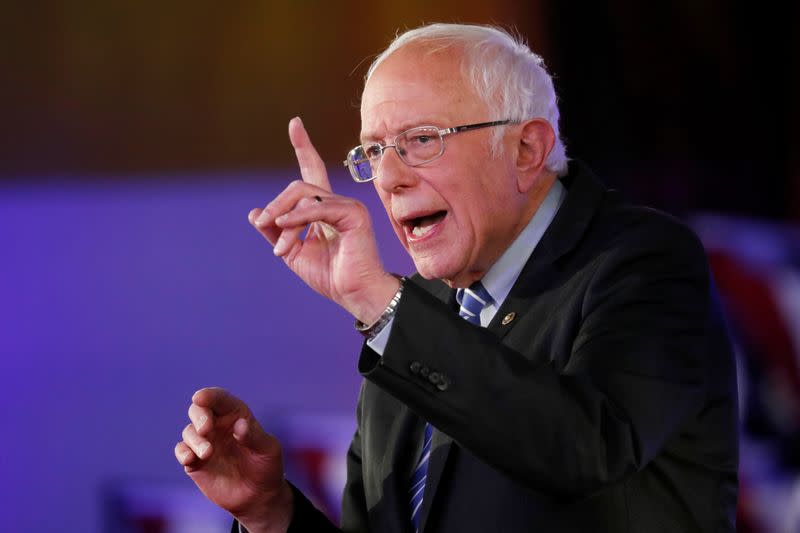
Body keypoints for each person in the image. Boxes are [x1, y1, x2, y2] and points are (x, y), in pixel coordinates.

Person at [175, 23, 739, 532]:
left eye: (421, 140)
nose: (388, 179)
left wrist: (377, 301)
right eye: (374, 151)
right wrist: (270, 512)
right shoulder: (412, 314)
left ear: (526, 149)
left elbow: (585, 449)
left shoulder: (643, 263)